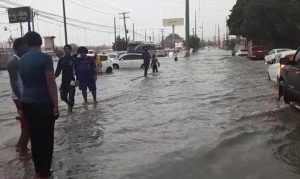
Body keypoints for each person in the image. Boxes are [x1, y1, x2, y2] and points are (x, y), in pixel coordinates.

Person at [20, 31, 59, 179]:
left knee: (35, 137)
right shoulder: (45, 58)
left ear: (27, 43)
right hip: (42, 102)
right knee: (47, 138)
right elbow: (50, 82)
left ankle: (37, 170)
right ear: (40, 43)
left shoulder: (21, 59)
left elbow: (23, 82)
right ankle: (45, 171)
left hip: (27, 102)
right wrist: (55, 105)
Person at [6, 38, 30, 156]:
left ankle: (20, 146)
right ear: (18, 48)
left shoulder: (24, 59)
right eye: (25, 47)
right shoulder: (13, 61)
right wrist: (21, 100)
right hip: (19, 96)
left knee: (27, 122)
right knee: (27, 123)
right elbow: (14, 82)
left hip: (26, 95)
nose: (27, 49)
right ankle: (22, 149)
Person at [55, 45, 76, 113]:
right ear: (63, 50)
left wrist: (78, 80)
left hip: (72, 80)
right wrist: (54, 77)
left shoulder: (73, 59)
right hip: (64, 81)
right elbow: (58, 70)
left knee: (71, 96)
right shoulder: (61, 60)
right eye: (65, 49)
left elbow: (77, 70)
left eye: (68, 49)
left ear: (70, 50)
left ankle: (70, 109)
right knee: (62, 97)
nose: (66, 51)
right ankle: (69, 105)